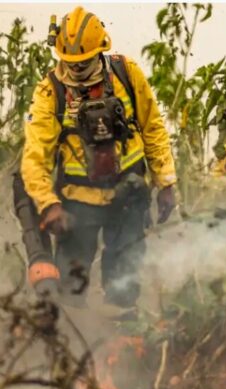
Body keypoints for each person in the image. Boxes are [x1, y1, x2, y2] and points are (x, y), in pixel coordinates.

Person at [20, 6, 177, 308]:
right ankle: (76, 345)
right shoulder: (50, 91)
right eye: (70, 63)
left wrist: (166, 182)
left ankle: (126, 343)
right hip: (77, 205)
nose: (77, 70)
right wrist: (48, 204)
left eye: (83, 62)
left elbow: (153, 128)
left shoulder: (126, 73)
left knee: (124, 285)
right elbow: (35, 156)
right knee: (70, 291)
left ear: (100, 51)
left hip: (129, 197)